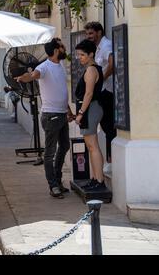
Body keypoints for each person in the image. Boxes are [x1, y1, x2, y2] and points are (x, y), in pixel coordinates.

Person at [16, 38, 74, 199]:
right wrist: (23, 78)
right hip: (51, 116)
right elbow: (33, 75)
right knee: (50, 153)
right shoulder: (44, 67)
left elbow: (61, 90)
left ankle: (57, 179)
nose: (64, 49)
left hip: (61, 113)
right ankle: (53, 185)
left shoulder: (60, 65)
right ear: (56, 50)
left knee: (64, 146)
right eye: (62, 47)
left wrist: (68, 109)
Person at [74, 39, 108, 192]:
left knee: (93, 146)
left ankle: (99, 180)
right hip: (91, 108)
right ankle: (95, 178)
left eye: (82, 55)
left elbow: (89, 93)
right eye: (78, 55)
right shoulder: (94, 69)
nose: (79, 57)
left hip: (90, 109)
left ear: (91, 54)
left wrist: (80, 113)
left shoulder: (91, 70)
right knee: (90, 146)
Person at [85, 22, 116, 170]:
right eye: (87, 34)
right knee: (105, 125)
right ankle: (110, 159)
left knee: (109, 126)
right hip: (103, 91)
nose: (89, 36)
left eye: (91, 33)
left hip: (107, 92)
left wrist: (100, 79)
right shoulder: (98, 48)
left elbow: (112, 62)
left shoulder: (105, 46)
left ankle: (111, 160)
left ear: (99, 32)